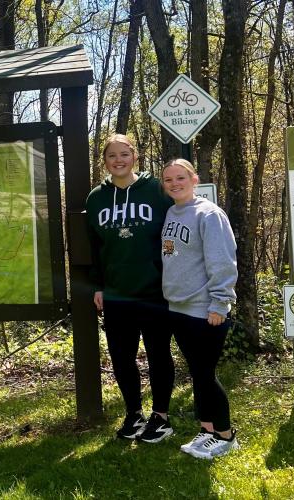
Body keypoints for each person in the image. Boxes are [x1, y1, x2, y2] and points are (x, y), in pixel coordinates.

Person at [85, 134, 175, 442]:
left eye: (124, 154)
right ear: (105, 161)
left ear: (134, 157)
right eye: (112, 156)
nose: (118, 160)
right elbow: (94, 248)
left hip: (155, 291)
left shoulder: (155, 191)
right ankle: (134, 413)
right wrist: (97, 285)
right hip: (116, 293)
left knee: (158, 355)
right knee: (122, 357)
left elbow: (173, 233)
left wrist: (173, 275)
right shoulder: (96, 198)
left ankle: (161, 417)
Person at [161, 158, 238, 459]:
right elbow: (173, 254)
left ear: (194, 180)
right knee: (197, 372)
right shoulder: (171, 212)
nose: (174, 183)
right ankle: (207, 430)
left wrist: (219, 302)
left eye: (181, 177)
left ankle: (226, 435)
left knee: (205, 374)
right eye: (168, 179)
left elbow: (222, 262)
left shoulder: (209, 214)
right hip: (178, 307)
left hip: (206, 309)